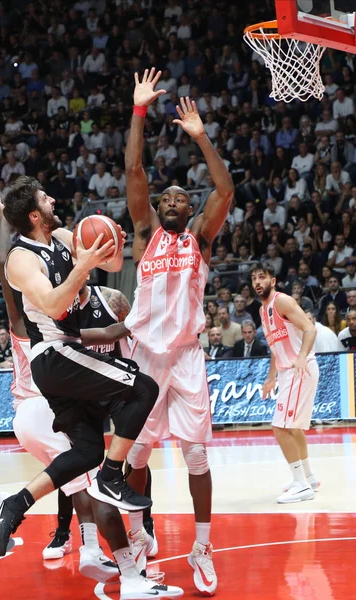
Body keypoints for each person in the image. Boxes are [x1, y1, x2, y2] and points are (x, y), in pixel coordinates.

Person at [0, 187, 180, 597]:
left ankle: (16, 504)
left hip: (65, 357)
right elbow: (57, 306)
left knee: (88, 451)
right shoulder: (20, 260)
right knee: (141, 387)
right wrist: (85, 265)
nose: (54, 200)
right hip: (54, 355)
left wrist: (111, 244)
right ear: (35, 216)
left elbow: (106, 259)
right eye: (45, 199)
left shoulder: (58, 238)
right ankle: (112, 478)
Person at [124, 68, 234, 595]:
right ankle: (141, 536)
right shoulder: (144, 233)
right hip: (145, 357)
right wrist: (139, 110)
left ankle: (202, 546)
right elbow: (133, 167)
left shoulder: (200, 241)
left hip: (187, 356)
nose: (169, 200)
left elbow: (225, 187)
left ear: (189, 211)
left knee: (196, 456)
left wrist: (200, 136)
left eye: (178, 199)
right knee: (137, 456)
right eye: (164, 198)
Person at [251, 263, 320, 504]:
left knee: (280, 427)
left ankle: (301, 485)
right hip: (286, 372)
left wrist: (301, 358)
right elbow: (274, 348)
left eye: (262, 277)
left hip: (299, 369)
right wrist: (271, 378)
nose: (257, 282)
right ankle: (308, 477)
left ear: (273, 280)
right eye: (254, 279)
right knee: (293, 427)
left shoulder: (283, 301)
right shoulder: (263, 311)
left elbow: (310, 329)